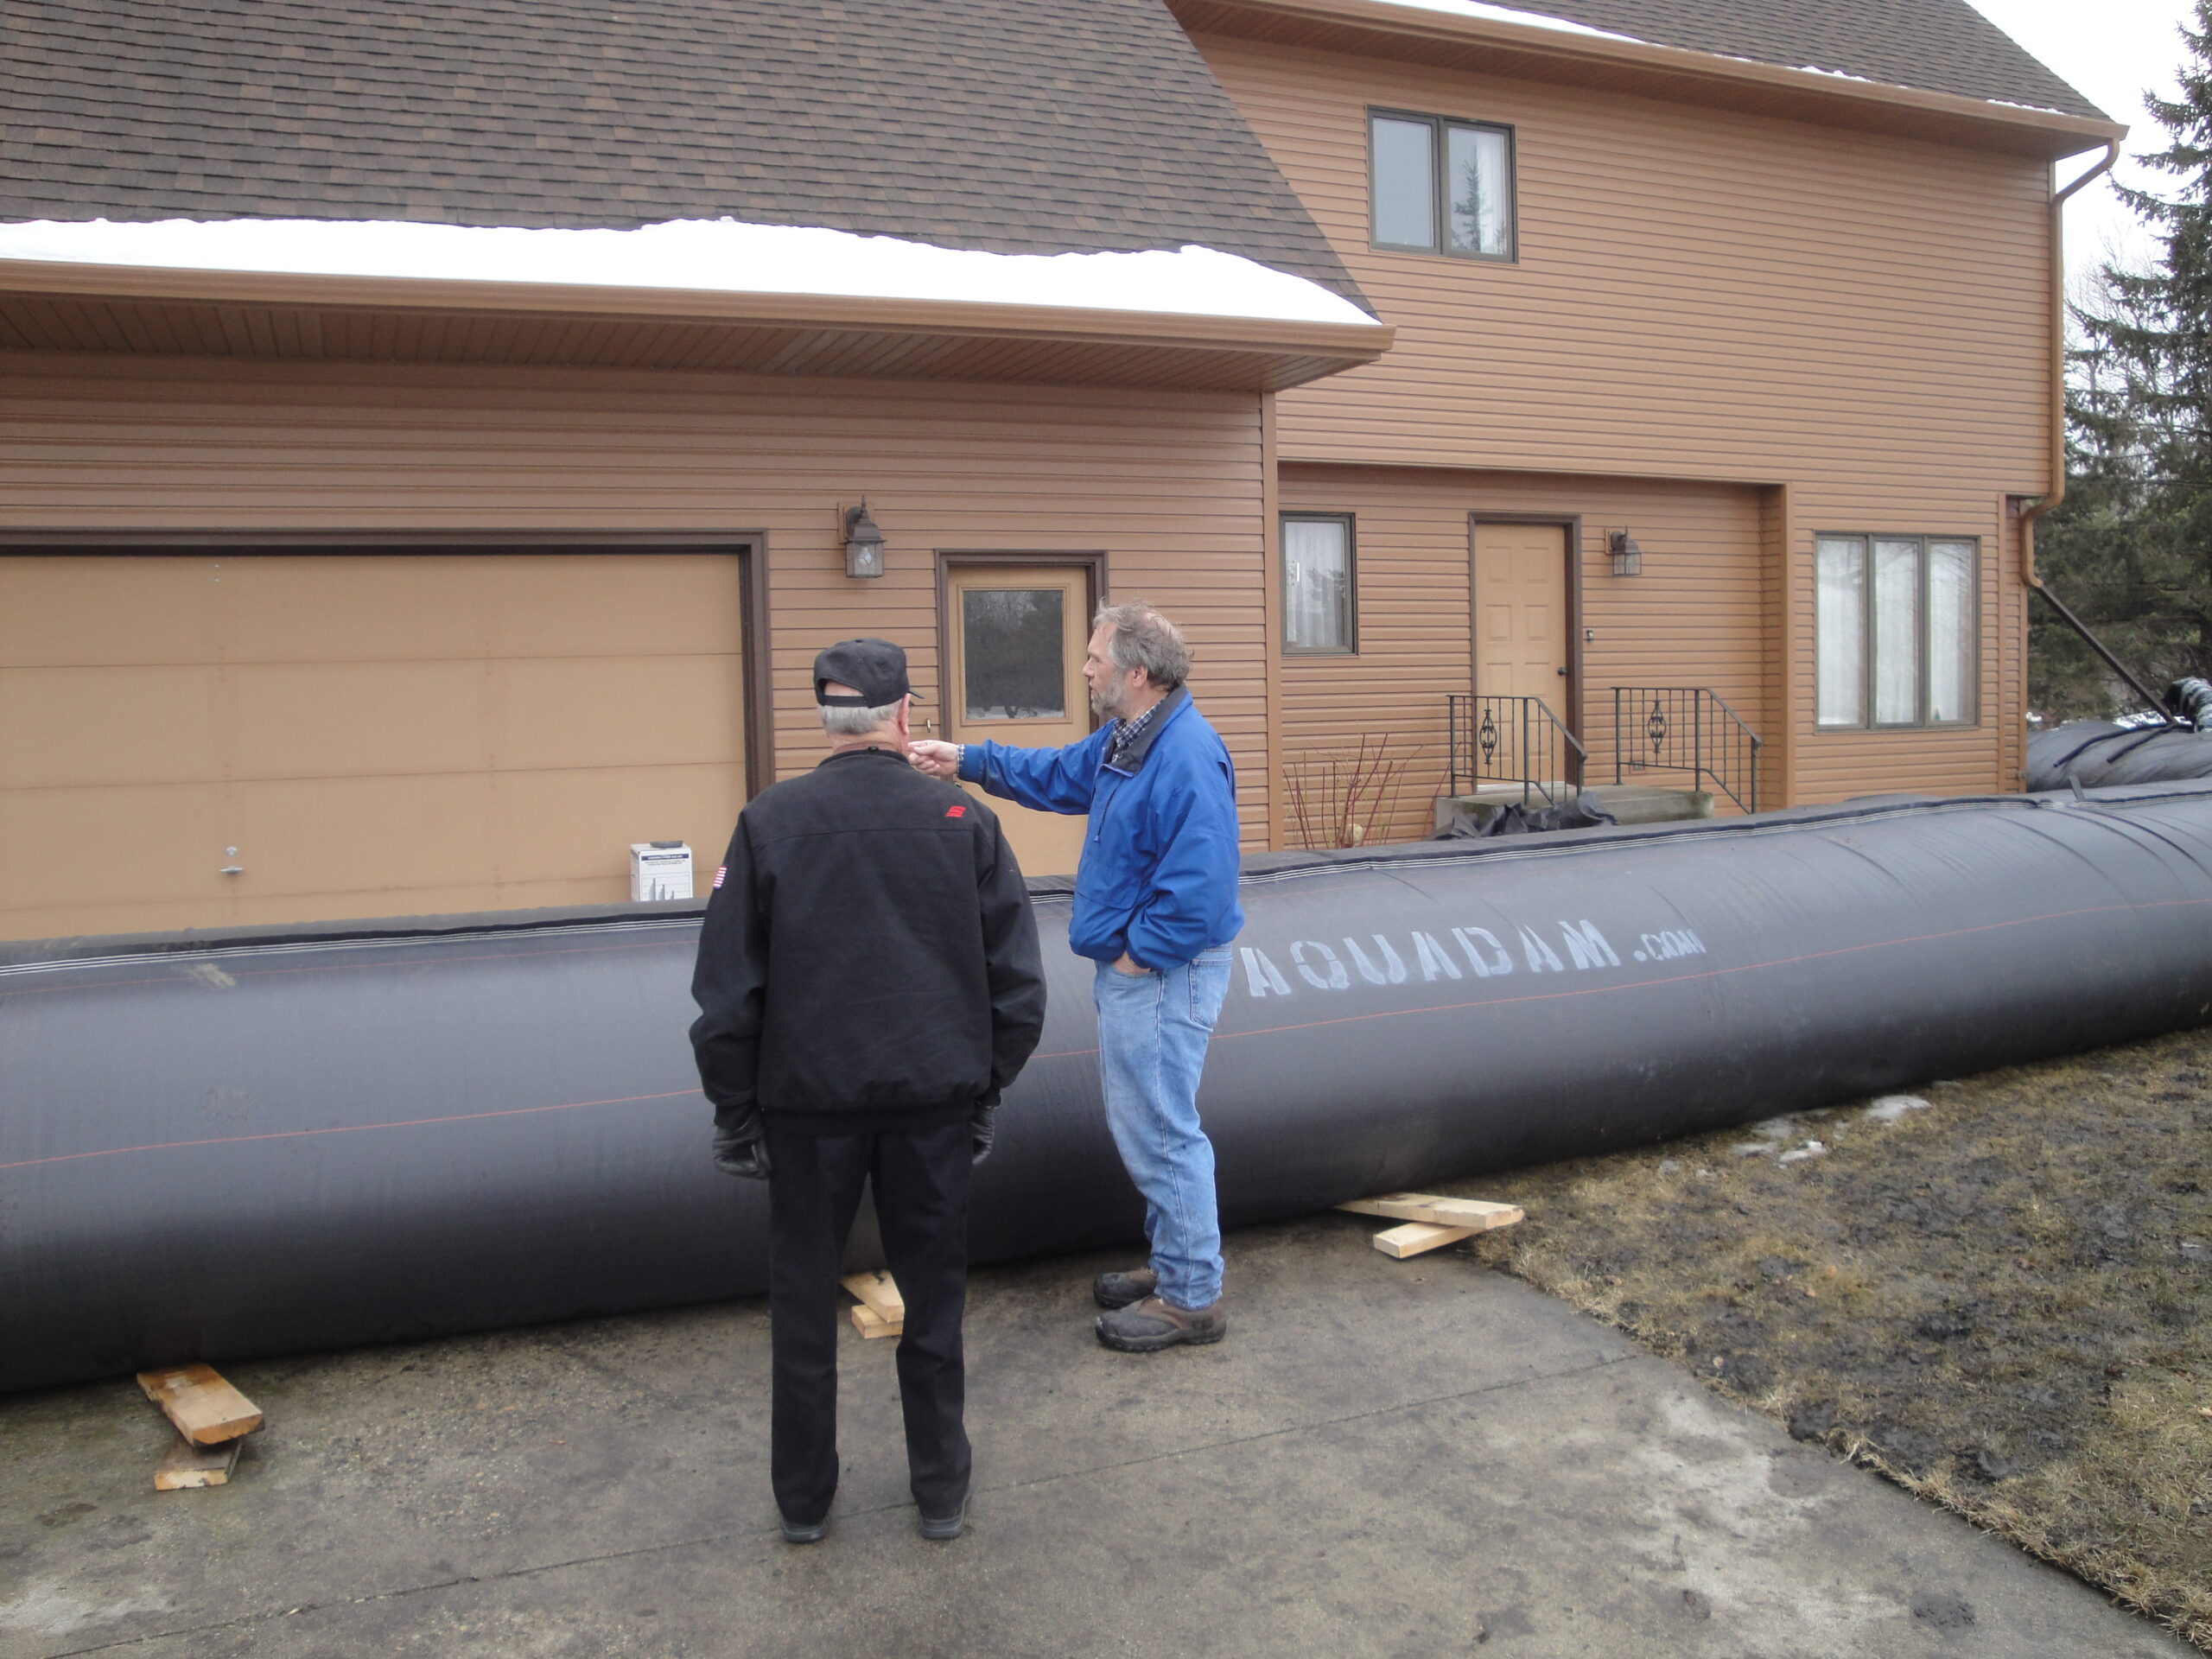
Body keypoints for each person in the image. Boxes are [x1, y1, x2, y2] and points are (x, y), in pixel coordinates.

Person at [690, 638, 1045, 1546]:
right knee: (934, 1301)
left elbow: (728, 991)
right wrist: (984, 1089)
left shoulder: (770, 822)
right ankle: (941, 1493)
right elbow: (1017, 984)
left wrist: (736, 1111)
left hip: (807, 1112)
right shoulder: (961, 819)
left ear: (824, 715)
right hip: (932, 1105)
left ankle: (804, 1506)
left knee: (803, 1305)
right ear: (902, 713)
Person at [909, 601, 1241, 1353]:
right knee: (1149, 1124)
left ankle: (1193, 1298)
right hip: (1143, 971)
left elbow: (1203, 889)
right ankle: (1176, 1263)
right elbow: (1058, 774)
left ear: (1137, 671)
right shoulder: (1131, 741)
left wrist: (1135, 956)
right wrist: (963, 760)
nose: (1085, 669)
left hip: (1158, 974)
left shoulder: (1184, 753)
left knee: (1159, 1129)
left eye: (1095, 658)